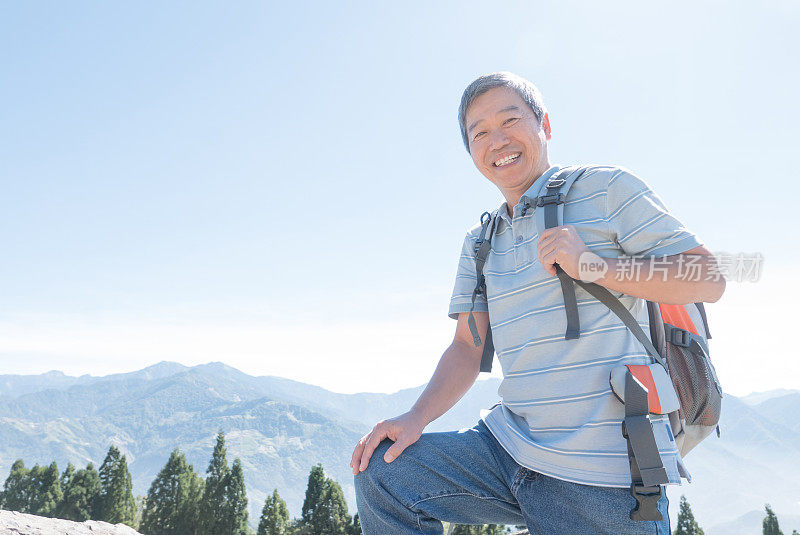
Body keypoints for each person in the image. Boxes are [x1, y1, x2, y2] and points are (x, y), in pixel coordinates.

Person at [350, 72, 725, 535]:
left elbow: (709, 278)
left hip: (604, 478)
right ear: (470, 151)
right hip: (505, 453)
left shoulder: (606, 189)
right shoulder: (480, 242)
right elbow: (467, 349)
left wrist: (596, 268)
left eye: (510, 120)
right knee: (384, 475)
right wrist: (414, 417)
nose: (498, 140)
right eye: (479, 132)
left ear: (544, 124)